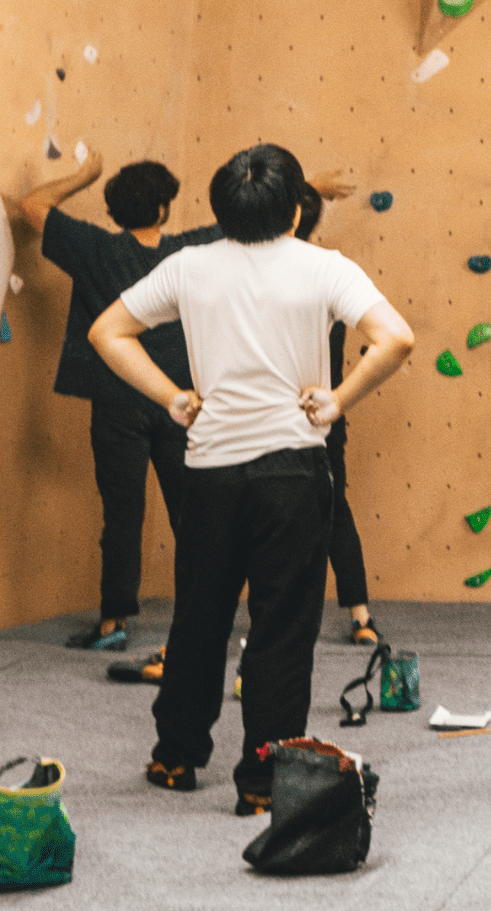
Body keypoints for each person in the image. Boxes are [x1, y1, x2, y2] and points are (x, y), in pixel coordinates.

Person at [88, 145, 413, 815]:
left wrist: (172, 397)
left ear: (220, 208)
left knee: (199, 617)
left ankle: (175, 756)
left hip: (210, 471)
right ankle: (263, 780)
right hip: (293, 471)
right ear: (297, 209)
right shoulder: (325, 267)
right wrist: (340, 398)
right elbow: (396, 339)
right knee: (282, 629)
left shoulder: (190, 264)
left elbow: (107, 331)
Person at [18, 153, 348, 660]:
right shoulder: (192, 249)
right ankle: (197, 616)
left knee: (122, 512)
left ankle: (113, 620)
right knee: (193, 517)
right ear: (166, 209)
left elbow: (31, 204)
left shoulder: (92, 248)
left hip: (118, 401)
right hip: (186, 403)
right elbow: (249, 214)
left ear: (112, 210)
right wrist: (312, 186)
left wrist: (85, 174)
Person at [293, 184, 379, 647]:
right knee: (332, 508)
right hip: (324, 410)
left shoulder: (272, 277)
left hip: (285, 412)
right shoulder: (332, 271)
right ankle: (361, 615)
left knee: (253, 512)